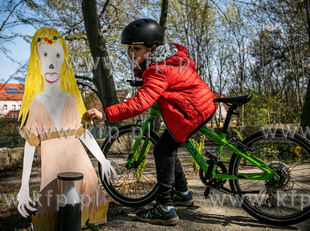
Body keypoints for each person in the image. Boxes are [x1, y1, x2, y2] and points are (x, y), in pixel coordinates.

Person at [88, 18, 218, 226]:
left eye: (136, 48)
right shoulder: (166, 59)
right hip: (200, 105)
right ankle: (183, 194)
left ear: (153, 48)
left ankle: (166, 208)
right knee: (169, 145)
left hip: (193, 111)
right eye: (129, 48)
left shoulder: (159, 70)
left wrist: (105, 114)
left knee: (163, 150)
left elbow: (141, 103)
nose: (131, 52)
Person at [17, 27, 117, 230]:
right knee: (53, 214)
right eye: (45, 55)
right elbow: (30, 145)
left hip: (80, 165)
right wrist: (24, 186)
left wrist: (103, 160)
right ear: (37, 60)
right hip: (53, 168)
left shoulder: (71, 98)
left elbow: (83, 134)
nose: (52, 63)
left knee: (89, 210)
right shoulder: (36, 102)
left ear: (64, 59)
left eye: (57, 55)